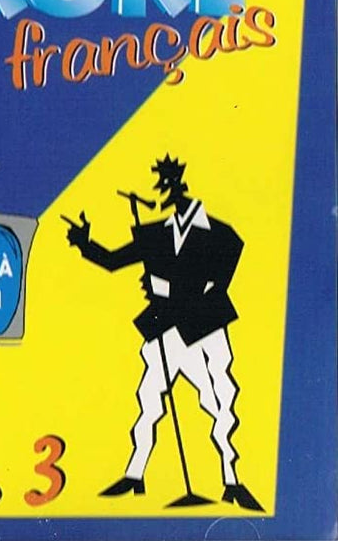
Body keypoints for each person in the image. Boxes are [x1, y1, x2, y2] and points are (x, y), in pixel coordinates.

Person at [65, 155, 262, 511]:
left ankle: (231, 480)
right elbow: (112, 261)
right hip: (166, 329)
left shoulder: (222, 235)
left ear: (180, 187)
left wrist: (165, 288)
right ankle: (135, 474)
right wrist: (84, 243)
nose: (164, 193)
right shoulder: (156, 234)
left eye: (169, 186)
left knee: (219, 403)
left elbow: (215, 286)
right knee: (149, 401)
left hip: (203, 330)